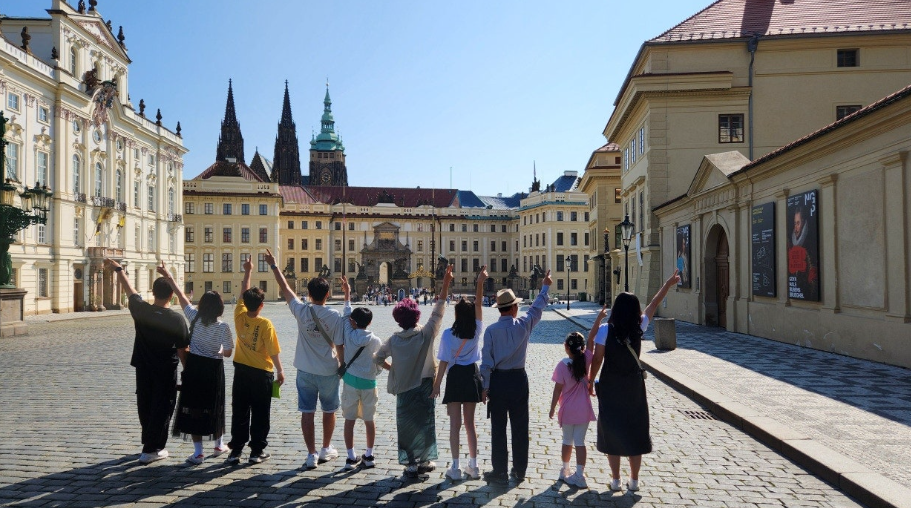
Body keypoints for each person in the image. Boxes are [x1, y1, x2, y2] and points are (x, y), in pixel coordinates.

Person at [588, 269, 681, 492]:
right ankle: (635, 480)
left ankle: (616, 480)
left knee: (612, 428)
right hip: (633, 387)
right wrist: (668, 284)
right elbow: (654, 303)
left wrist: (590, 380)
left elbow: (598, 359)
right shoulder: (639, 326)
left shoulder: (605, 330)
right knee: (634, 429)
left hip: (611, 385)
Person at [265, 248, 351, 470]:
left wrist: (274, 265)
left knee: (307, 412)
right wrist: (342, 366)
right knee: (329, 411)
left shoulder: (301, 311)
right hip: (328, 370)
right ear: (327, 294)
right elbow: (340, 345)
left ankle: (311, 454)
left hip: (304, 370)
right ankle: (325, 448)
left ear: (309, 294)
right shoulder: (334, 316)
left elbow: (285, 288)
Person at [106, 258, 189, 465]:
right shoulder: (176, 319)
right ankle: (152, 449)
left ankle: (149, 443)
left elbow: (130, 291)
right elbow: (182, 350)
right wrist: (188, 372)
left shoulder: (142, 310)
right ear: (171, 295)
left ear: (153, 293)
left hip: (143, 367)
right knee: (163, 408)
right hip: (165, 369)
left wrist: (118, 269)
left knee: (145, 404)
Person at [375, 266, 453, 479]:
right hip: (425, 384)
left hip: (404, 387)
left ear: (398, 319)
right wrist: (445, 283)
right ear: (417, 316)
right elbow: (438, 310)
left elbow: (377, 358)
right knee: (425, 422)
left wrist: (393, 368)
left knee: (406, 424)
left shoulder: (394, 340)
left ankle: (410, 463)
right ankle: (425, 460)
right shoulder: (426, 333)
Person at [480, 269, 552, 484]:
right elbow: (536, 308)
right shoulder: (523, 325)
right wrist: (545, 286)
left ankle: (500, 470)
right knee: (520, 426)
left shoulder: (491, 331)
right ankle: (519, 470)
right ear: (513, 308)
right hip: (519, 380)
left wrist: (485, 387)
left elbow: (486, 363)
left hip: (498, 381)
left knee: (498, 427)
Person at [157, 262, 234, 465]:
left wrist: (168, 275)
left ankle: (198, 452)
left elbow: (181, 296)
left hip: (194, 368)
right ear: (220, 308)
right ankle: (219, 444)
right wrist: (218, 350)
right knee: (216, 405)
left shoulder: (194, 318)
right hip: (214, 368)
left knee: (194, 408)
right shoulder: (223, 327)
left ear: (202, 305)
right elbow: (227, 353)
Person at [226, 256, 285, 465]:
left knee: (240, 411)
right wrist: (280, 371)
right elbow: (273, 351)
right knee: (261, 413)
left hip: (241, 371)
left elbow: (244, 292)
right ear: (262, 305)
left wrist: (248, 270)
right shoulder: (265, 324)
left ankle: (236, 451)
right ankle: (256, 451)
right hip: (262, 373)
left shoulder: (239, 316)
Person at [431, 266, 488, 481]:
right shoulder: (476, 331)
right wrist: (480, 282)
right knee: (470, 424)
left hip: (455, 378)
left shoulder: (448, 335)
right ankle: (474, 465)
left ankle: (455, 467)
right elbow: (479, 304)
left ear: (456, 315)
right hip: (471, 376)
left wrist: (437, 385)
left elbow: (443, 362)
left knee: (455, 425)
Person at [548, 331, 596, 488]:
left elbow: (557, 390)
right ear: (582, 347)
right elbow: (591, 340)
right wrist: (599, 319)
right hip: (583, 409)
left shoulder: (562, 365)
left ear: (566, 347)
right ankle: (580, 475)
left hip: (568, 409)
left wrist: (552, 408)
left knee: (567, 440)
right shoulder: (586, 359)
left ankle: (565, 469)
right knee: (580, 442)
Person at [339, 307, 383, 471]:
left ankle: (351, 456)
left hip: (350, 381)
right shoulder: (376, 341)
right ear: (370, 322)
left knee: (349, 420)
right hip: (369, 383)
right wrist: (375, 373)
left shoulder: (349, 335)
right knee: (369, 420)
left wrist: (347, 297)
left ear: (353, 322)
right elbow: (379, 363)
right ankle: (369, 455)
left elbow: (346, 316)